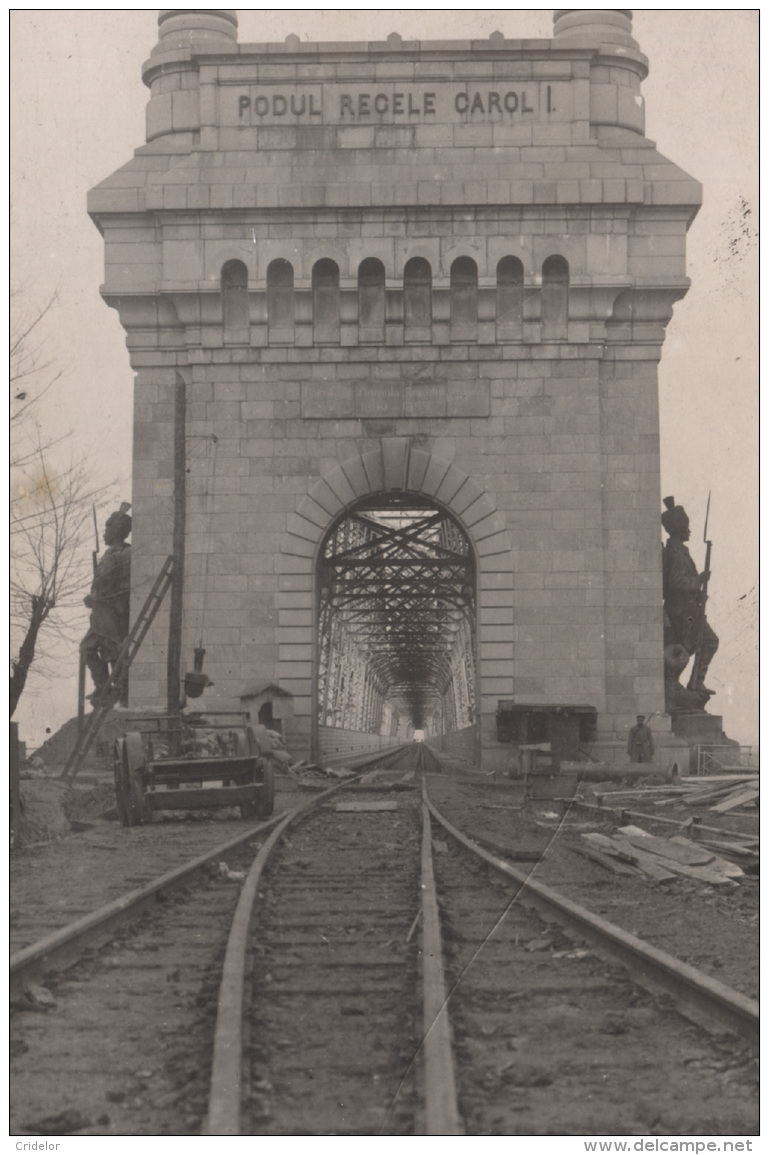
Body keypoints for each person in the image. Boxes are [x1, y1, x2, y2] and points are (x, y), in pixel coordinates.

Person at [661, 497, 718, 695]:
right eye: (687, 527)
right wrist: (699, 581)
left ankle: (691, 683)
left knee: (694, 644)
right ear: (680, 530)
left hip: (688, 608)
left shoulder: (679, 551)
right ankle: (690, 683)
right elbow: (675, 582)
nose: (690, 531)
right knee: (701, 643)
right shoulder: (675, 553)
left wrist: (699, 592)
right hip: (682, 611)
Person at [81, 504, 131, 704]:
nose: (104, 533)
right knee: (87, 649)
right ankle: (102, 686)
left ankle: (119, 691)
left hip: (112, 612)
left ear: (117, 530)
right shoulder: (110, 553)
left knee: (113, 652)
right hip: (100, 613)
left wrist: (99, 598)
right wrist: (93, 597)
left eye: (107, 529)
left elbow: (124, 587)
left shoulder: (124, 554)